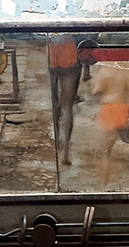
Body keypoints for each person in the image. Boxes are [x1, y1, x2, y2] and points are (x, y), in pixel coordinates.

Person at [48, 39, 83, 167]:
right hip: (69, 59)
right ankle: (66, 151)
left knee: (55, 104)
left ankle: (58, 140)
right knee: (67, 107)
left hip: (53, 58)